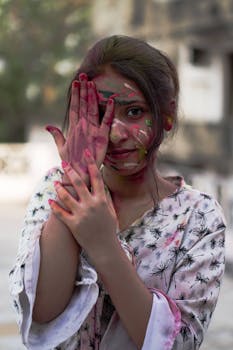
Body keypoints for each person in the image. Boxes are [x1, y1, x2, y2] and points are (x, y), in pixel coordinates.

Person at [9, 35, 226, 350]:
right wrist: (77, 181)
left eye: (134, 112)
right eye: (100, 113)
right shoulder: (58, 188)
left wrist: (103, 243)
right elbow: (42, 314)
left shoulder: (198, 216)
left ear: (166, 114)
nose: (114, 131)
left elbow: (178, 343)